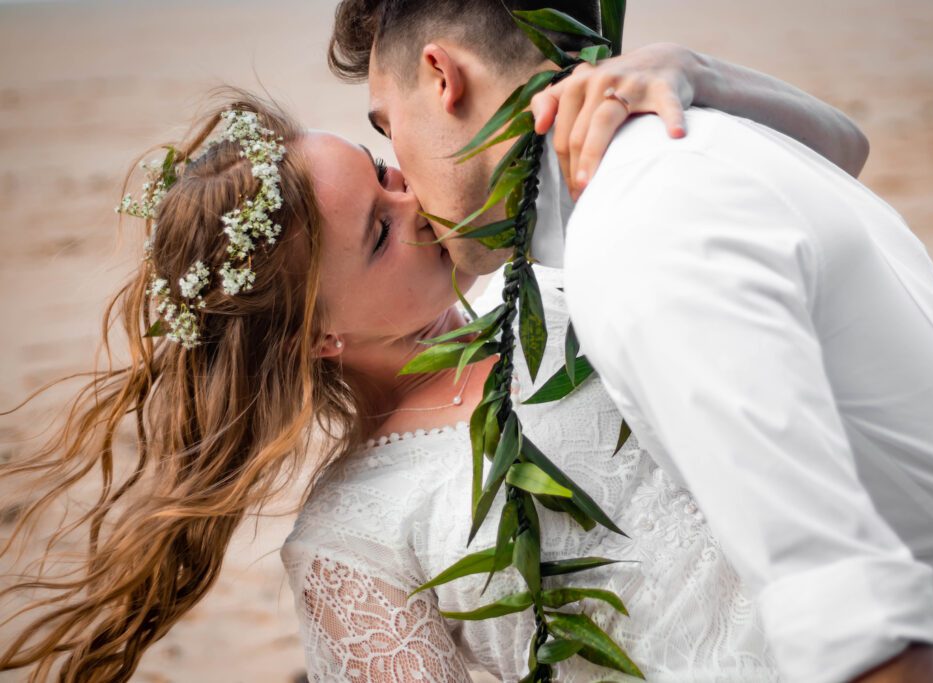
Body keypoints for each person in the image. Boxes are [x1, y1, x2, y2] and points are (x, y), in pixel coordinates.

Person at [0, 41, 872, 682]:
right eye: (379, 233)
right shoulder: (350, 545)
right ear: (318, 336)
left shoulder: (564, 270)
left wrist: (695, 77)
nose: (415, 198)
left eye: (383, 170)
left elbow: (839, 158)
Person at [328, 0, 933, 682]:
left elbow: (858, 621)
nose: (409, 187)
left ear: (441, 75)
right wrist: (699, 71)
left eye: (390, 131)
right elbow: (848, 149)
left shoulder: (635, 236)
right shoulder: (694, 136)